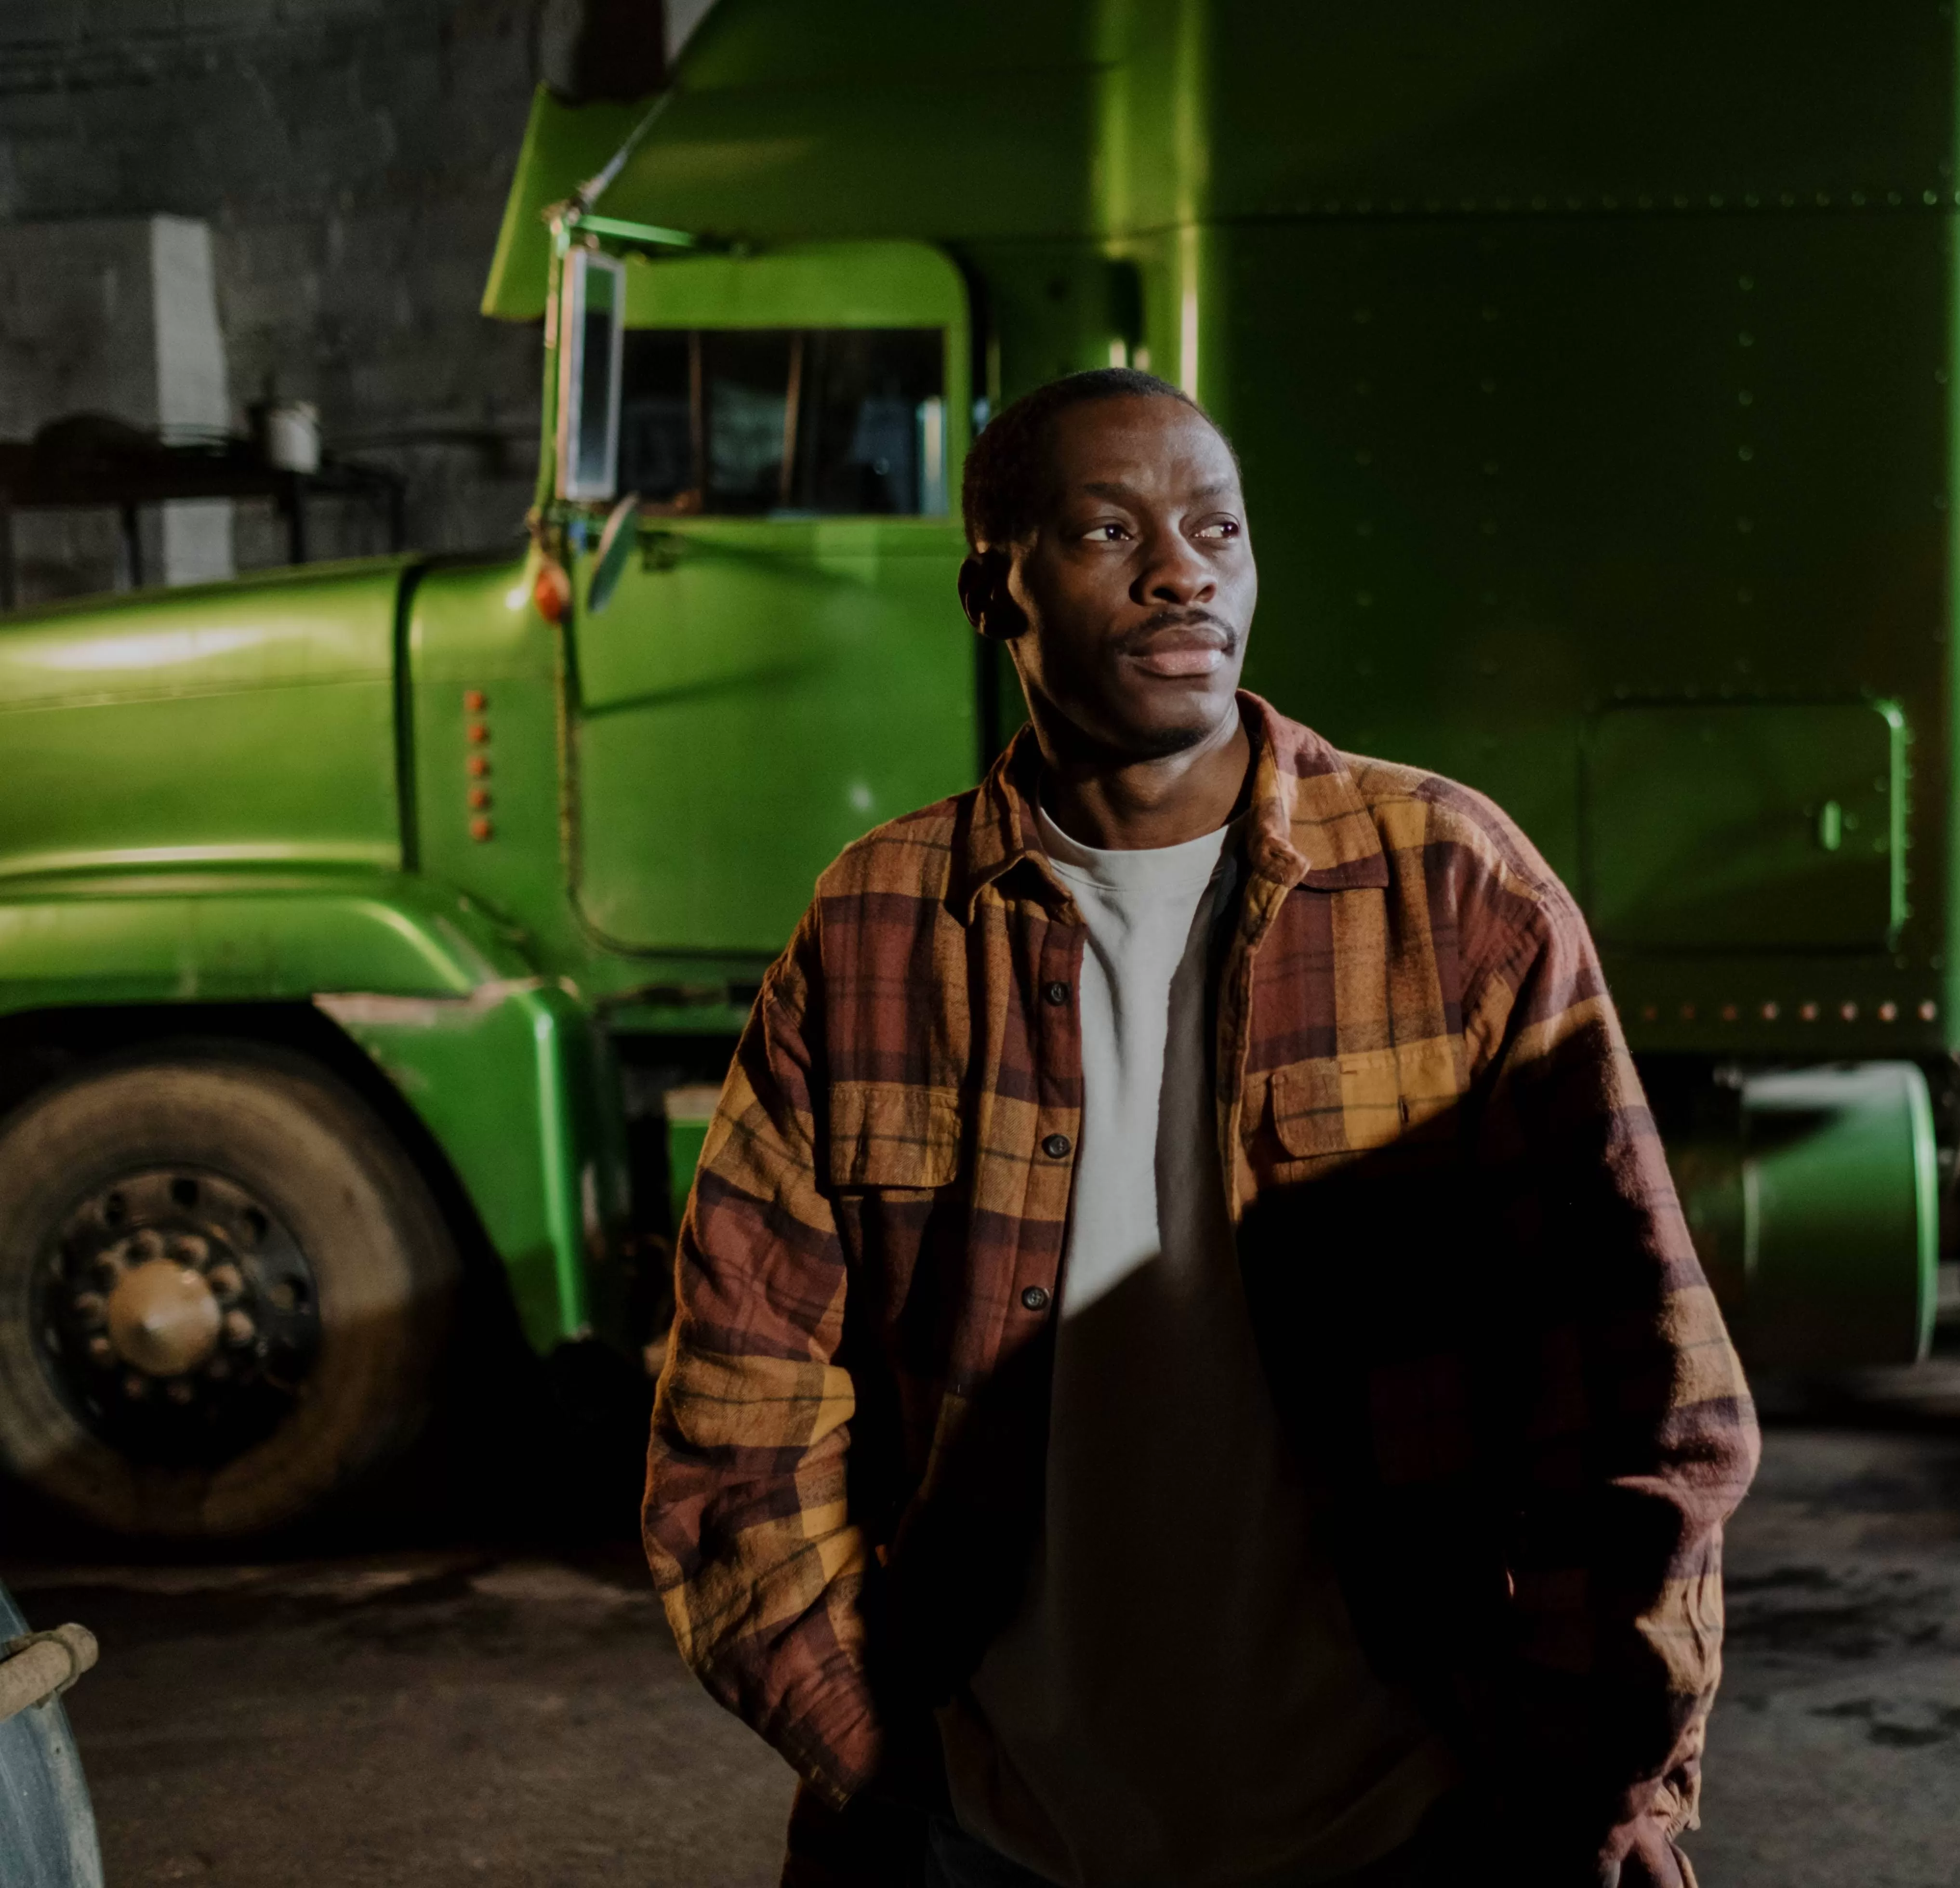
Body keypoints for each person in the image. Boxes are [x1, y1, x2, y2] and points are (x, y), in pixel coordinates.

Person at [643, 368, 1758, 1888]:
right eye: (1111, 529)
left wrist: (1606, 1769)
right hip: (990, 1838)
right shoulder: (877, 931)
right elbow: (738, 1419)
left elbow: (1646, 1390)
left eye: (1217, 528)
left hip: (1409, 1823)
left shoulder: (1448, 891)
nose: (1183, 569)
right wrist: (885, 1762)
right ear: (996, 592)